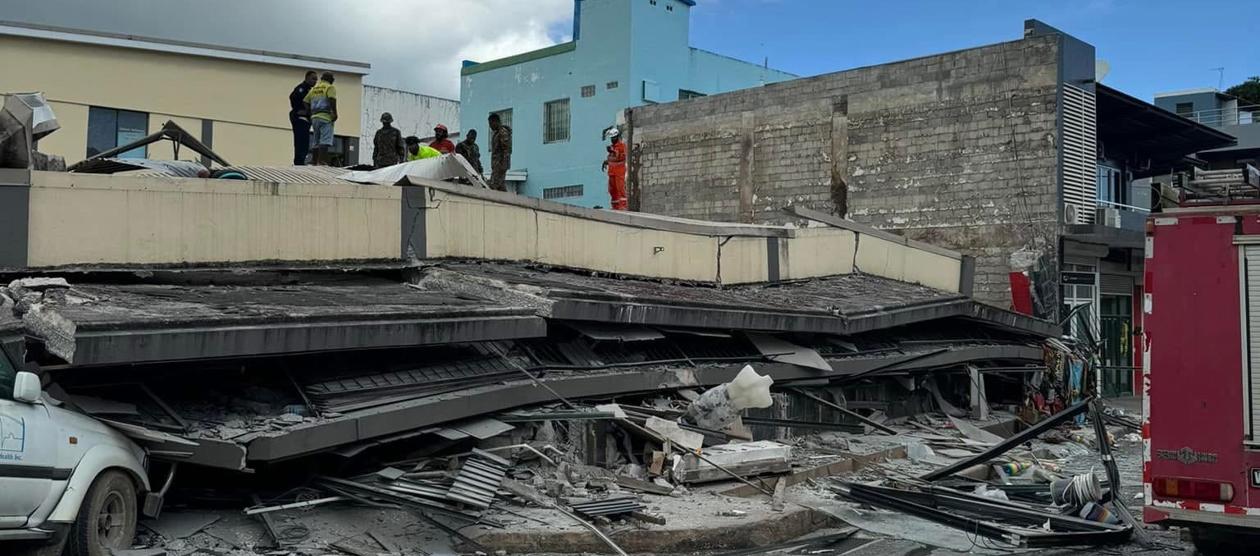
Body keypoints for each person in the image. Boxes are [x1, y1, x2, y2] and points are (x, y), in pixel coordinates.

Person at [303, 72, 337, 165]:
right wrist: (334, 113)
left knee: (316, 140)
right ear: (329, 79)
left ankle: (314, 160)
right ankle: (322, 161)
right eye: (333, 78)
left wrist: (309, 113)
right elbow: (332, 99)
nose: (333, 80)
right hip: (325, 116)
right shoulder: (330, 87)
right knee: (325, 140)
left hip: (315, 117)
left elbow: (305, 101)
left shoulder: (314, 89)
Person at [288, 71, 317, 165]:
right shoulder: (301, 89)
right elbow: (293, 97)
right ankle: (299, 161)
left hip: (305, 119)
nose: (315, 81)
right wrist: (299, 109)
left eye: (316, 79)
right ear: (307, 78)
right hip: (300, 118)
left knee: (304, 142)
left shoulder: (309, 90)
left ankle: (301, 160)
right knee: (301, 141)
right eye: (313, 79)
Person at [602, 127, 628, 210]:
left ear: (617, 137)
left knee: (620, 189)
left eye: (614, 138)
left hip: (619, 171)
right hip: (612, 172)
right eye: (611, 138)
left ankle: (623, 206)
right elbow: (612, 159)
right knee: (612, 190)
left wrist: (613, 151)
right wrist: (606, 162)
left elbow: (621, 156)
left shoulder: (621, 146)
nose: (612, 139)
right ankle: (615, 206)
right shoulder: (612, 147)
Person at [488, 113, 512, 192]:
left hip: (500, 163)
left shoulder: (502, 132)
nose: (490, 126)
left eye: (491, 123)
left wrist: (503, 164)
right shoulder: (497, 133)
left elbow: (506, 150)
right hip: (497, 164)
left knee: (494, 185)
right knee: (500, 186)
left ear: (496, 122)